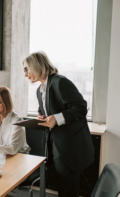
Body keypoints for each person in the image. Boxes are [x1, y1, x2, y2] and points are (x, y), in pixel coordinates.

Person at [23, 51, 94, 197]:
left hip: (69, 148)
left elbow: (81, 108)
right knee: (63, 188)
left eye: (26, 69)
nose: (25, 74)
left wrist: (56, 118)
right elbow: (46, 109)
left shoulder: (59, 82)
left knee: (68, 190)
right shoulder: (39, 90)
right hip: (55, 146)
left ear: (36, 66)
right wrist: (41, 116)